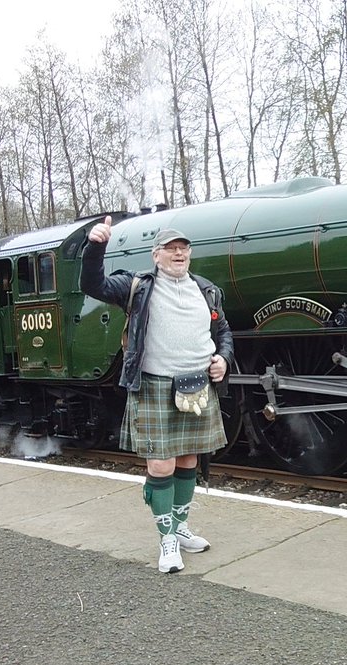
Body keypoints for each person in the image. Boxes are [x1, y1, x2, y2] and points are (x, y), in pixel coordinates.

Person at [80, 215, 233, 573]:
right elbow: (93, 284)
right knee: (160, 464)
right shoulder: (137, 286)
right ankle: (166, 540)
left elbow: (223, 330)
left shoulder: (206, 289)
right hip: (154, 385)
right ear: (156, 255)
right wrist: (96, 246)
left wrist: (223, 359)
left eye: (184, 249)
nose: (178, 254)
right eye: (170, 249)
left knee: (188, 462)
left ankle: (180, 530)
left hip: (196, 385)